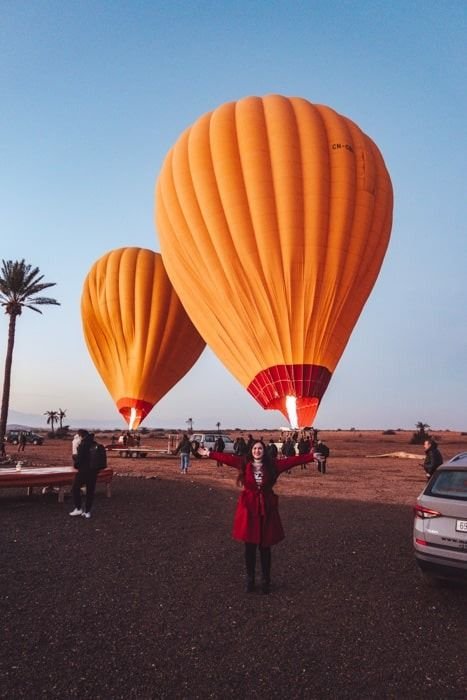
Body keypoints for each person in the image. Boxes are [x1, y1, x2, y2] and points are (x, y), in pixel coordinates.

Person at [208, 439, 315, 593]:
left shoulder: (273, 465)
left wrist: (311, 457)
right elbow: (228, 459)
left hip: (267, 508)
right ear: (251, 451)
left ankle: (266, 580)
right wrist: (210, 453)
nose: (257, 451)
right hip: (249, 509)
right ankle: (250, 580)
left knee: (265, 547)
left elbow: (292, 461)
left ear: (264, 451)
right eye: (255, 448)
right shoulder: (244, 464)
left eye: (260, 448)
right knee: (249, 547)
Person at [69, 429, 98, 519]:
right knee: (90, 491)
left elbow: (79, 460)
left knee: (75, 488)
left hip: (83, 471)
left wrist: (76, 463)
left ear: (80, 436)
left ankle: (78, 508)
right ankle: (87, 511)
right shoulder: (95, 444)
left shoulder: (83, 445)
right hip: (94, 472)